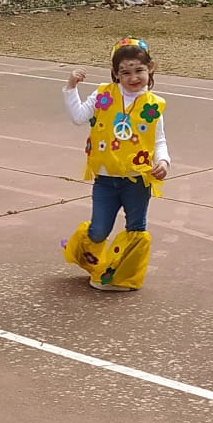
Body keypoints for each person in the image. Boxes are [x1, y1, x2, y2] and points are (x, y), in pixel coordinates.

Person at [61, 38, 169, 292]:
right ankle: (83, 253)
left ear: (150, 68)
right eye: (125, 72)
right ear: (116, 74)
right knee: (98, 229)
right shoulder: (103, 94)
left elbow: (159, 139)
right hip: (106, 179)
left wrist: (163, 161)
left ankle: (122, 276)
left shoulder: (154, 105)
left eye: (139, 70)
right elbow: (78, 117)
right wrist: (71, 87)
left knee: (136, 228)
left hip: (137, 180)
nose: (133, 78)